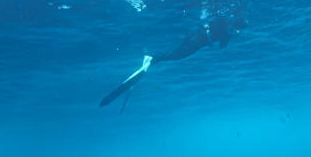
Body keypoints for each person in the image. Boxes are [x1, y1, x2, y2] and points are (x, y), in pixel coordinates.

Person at [99, 14, 244, 108]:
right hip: (199, 40)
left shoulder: (225, 19)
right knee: (178, 55)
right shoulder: (229, 26)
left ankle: (154, 58)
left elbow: (216, 24)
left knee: (177, 53)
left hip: (196, 31)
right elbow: (222, 44)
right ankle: (153, 59)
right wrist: (233, 35)